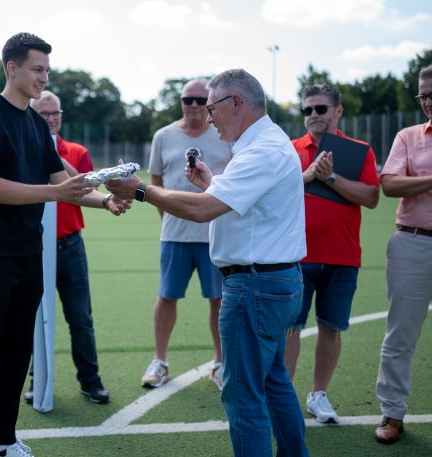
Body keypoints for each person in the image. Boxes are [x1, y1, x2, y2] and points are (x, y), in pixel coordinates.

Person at [106, 69, 309, 456]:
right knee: (273, 382)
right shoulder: (266, 142)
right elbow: (242, 206)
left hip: (255, 286)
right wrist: (212, 182)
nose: (208, 115)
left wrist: (142, 190)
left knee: (244, 398)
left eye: (212, 105)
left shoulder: (261, 150)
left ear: (236, 102)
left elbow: (205, 212)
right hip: (271, 281)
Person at [0, 33, 128, 457]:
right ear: (12, 67)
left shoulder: (36, 123)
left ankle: (4, 439)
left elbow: (63, 182)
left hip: (29, 254)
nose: (43, 77)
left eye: (47, 70)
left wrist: (105, 197)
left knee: (16, 353)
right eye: (37, 69)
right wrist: (56, 194)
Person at [284, 83, 379, 424]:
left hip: (342, 256)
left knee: (330, 327)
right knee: (289, 329)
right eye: (307, 110)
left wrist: (332, 177)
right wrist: (311, 176)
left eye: (320, 109)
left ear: (338, 111)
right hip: (296, 255)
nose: (313, 116)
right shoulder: (290, 149)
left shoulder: (359, 151)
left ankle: (318, 395)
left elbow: (370, 198)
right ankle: (284, 398)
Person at [22, 90, 115, 405]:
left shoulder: (76, 151)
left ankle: (90, 380)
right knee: (34, 318)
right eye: (43, 114)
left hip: (70, 246)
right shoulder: (22, 150)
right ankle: (39, 380)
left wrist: (104, 201)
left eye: (55, 114)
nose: (50, 120)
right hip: (34, 247)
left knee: (80, 317)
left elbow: (86, 188)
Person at [140, 80, 231, 390]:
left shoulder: (223, 135)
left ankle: (220, 364)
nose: (193, 105)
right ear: (180, 102)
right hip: (175, 235)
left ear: (209, 103)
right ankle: (160, 361)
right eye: (187, 99)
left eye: (199, 100)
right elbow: (155, 183)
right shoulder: (163, 136)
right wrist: (172, 219)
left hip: (215, 235)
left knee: (219, 300)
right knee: (166, 296)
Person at [374, 64, 432, 445]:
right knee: (400, 335)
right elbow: (390, 184)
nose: (428, 102)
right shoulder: (408, 136)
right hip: (414, 241)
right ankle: (392, 413)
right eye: (423, 95)